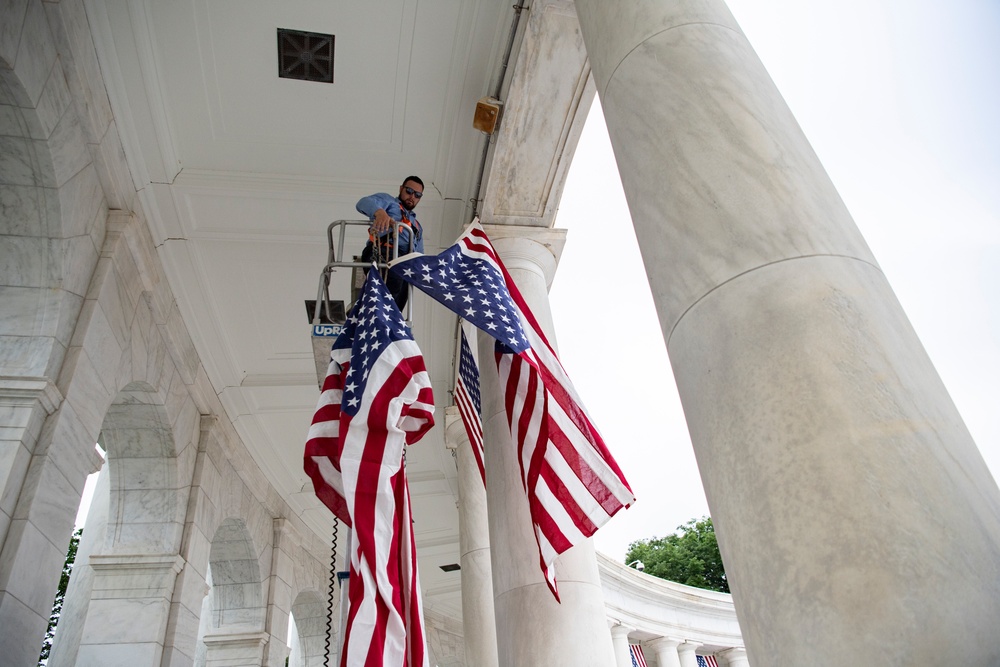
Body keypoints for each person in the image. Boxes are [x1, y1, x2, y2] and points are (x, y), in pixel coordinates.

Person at [356, 176, 425, 309]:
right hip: (383, 252)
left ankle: (388, 323)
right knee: (391, 286)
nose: (412, 197)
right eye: (409, 191)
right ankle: (370, 314)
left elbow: (420, 254)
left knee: (400, 301)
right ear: (401, 189)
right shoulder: (389, 202)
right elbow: (363, 203)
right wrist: (380, 212)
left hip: (405, 263)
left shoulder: (417, 226)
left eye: (417, 195)